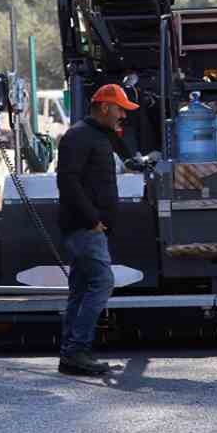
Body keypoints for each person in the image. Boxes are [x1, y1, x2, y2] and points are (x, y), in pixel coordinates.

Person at [55, 83, 137, 375]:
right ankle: (77, 351)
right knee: (102, 283)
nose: (123, 116)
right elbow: (68, 181)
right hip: (85, 228)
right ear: (105, 107)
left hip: (86, 227)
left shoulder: (96, 136)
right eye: (119, 110)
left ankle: (71, 355)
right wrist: (92, 219)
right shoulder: (79, 137)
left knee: (80, 290)